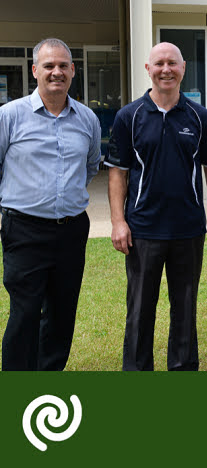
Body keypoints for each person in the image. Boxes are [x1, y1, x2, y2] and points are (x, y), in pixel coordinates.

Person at [106, 42, 207, 371]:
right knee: (139, 309)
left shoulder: (200, 116)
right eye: (160, 63)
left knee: (185, 307)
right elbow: (117, 175)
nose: (167, 69)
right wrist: (118, 221)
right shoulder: (128, 116)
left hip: (188, 230)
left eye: (173, 63)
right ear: (148, 69)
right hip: (143, 231)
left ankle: (182, 371)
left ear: (182, 69)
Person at [0, 38, 101, 371]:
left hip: (71, 231)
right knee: (25, 314)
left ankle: (47, 385)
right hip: (24, 229)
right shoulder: (9, 117)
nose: (56, 72)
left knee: (61, 314)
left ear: (73, 70)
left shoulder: (87, 119)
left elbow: (89, 167)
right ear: (34, 71)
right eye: (48, 66)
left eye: (63, 66)